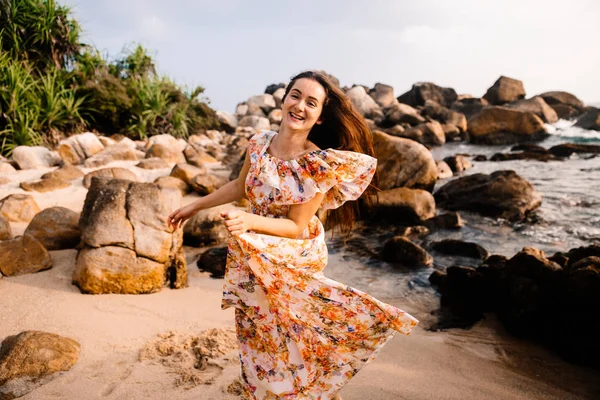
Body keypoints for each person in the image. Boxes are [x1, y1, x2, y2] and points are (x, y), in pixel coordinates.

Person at [167, 71, 418, 399]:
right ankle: (261, 391)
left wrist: (248, 222)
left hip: (289, 255)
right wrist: (194, 207)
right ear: (284, 99)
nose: (300, 106)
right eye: (295, 96)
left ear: (320, 116)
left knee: (294, 333)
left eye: (311, 102)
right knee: (256, 327)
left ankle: (312, 390)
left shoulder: (316, 164)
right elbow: (241, 184)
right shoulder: (258, 143)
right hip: (252, 248)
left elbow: (295, 226)